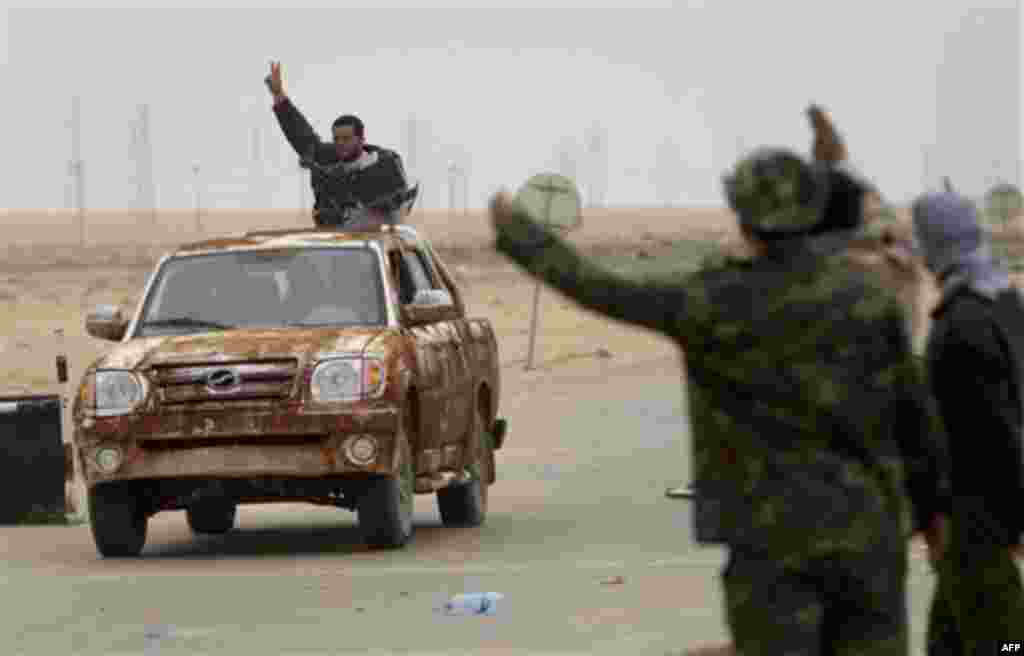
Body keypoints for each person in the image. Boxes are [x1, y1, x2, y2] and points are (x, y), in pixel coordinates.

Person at [488, 107, 950, 655]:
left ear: (741, 214)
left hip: (767, 541)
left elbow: (601, 286)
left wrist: (522, 236)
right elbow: (914, 415)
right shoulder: (867, 300)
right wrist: (935, 513)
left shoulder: (710, 301)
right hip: (868, 534)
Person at [912, 190, 1024, 655]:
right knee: (952, 639)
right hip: (984, 516)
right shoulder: (1006, 305)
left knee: (1006, 645)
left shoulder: (958, 324)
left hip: (973, 521)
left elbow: (992, 434)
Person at [265, 61, 413, 229]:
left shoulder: (385, 163)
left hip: (376, 237)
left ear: (361, 139)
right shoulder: (325, 159)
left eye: (346, 138)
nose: (340, 143)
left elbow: (401, 204)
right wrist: (278, 94)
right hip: (333, 240)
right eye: (336, 139)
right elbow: (300, 134)